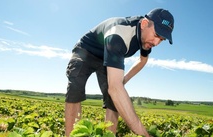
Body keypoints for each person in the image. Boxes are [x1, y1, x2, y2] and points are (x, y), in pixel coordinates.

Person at [65, 8, 174, 137]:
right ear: (144, 24)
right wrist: (144, 134)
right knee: (76, 87)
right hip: (86, 50)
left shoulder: (146, 40)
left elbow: (143, 60)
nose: (156, 43)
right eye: (156, 35)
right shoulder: (118, 35)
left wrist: (125, 79)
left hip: (108, 57)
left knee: (113, 101)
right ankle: (71, 135)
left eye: (161, 39)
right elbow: (115, 89)